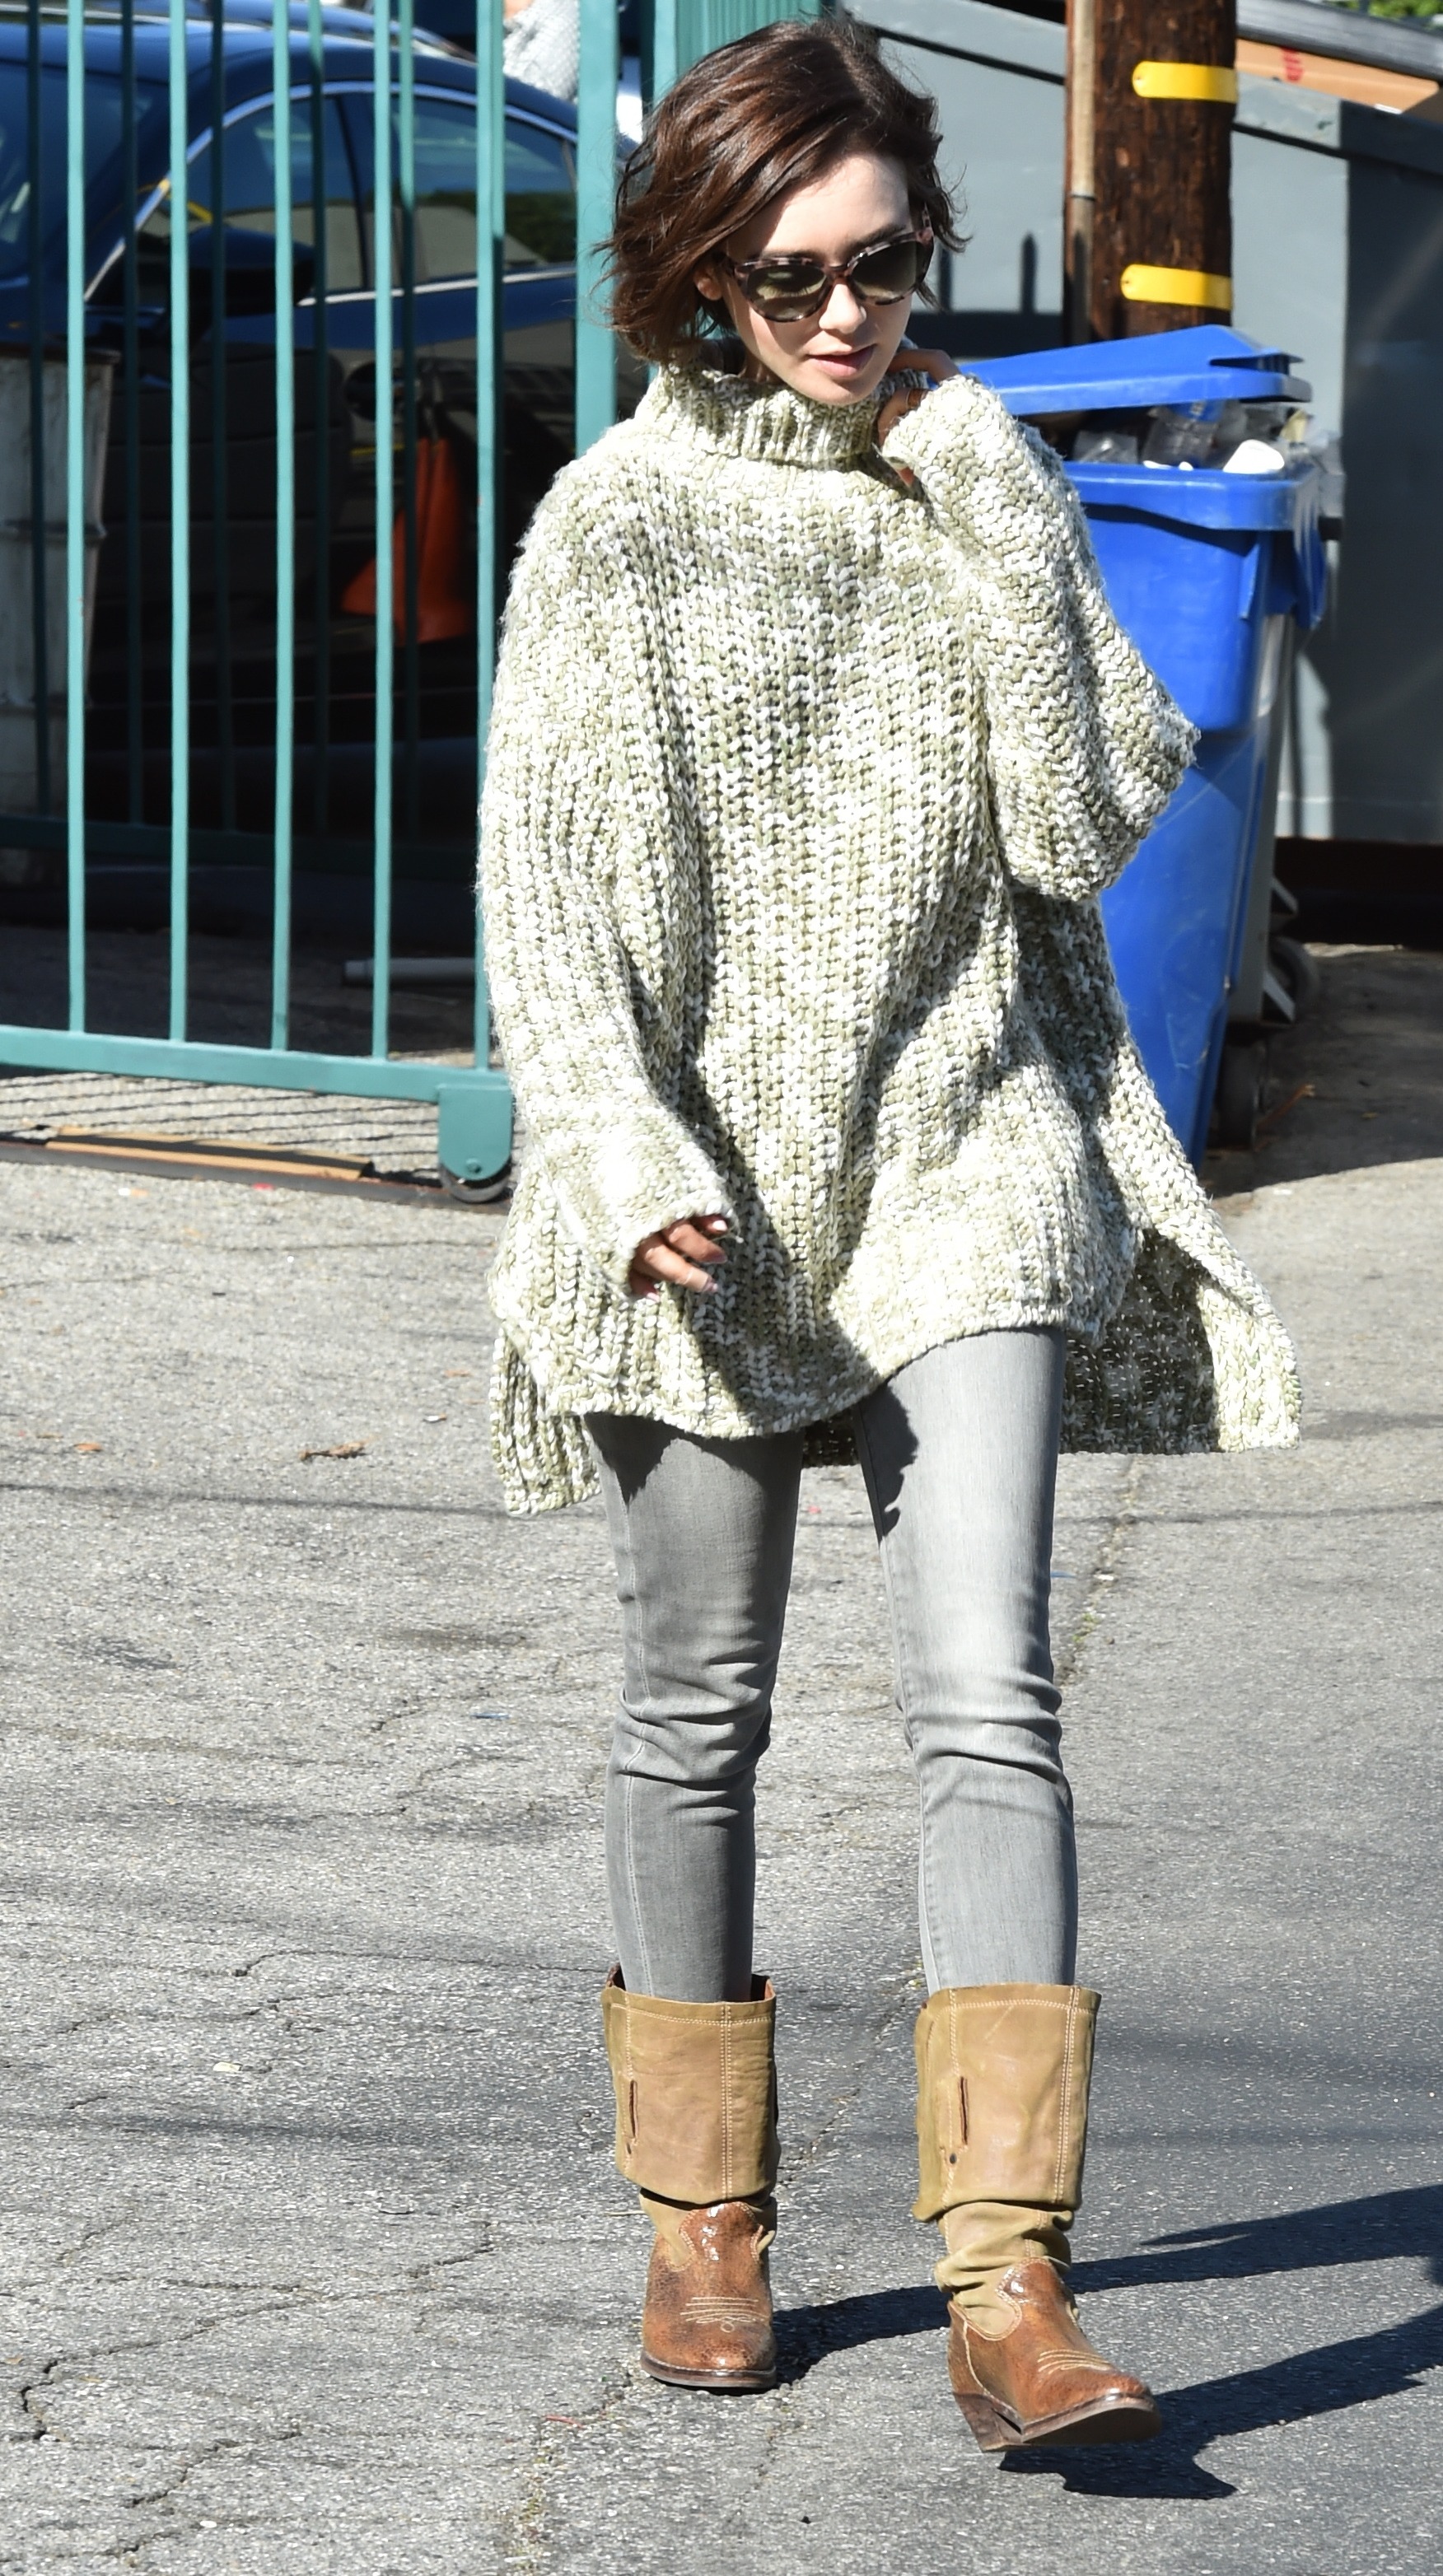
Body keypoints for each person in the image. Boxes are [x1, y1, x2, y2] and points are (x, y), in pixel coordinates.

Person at [479, 18, 1298, 2450]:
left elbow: (1082, 823)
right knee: (695, 1708)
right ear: (700, 277)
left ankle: (1008, 2278)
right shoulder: (613, 527)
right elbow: (548, 900)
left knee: (989, 1693)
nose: (846, 315)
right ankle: (704, 2220)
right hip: (705, 1191)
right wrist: (620, 1151)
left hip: (964, 1151)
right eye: (793, 278)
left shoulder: (971, 474)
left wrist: (994, 490)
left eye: (888, 264)